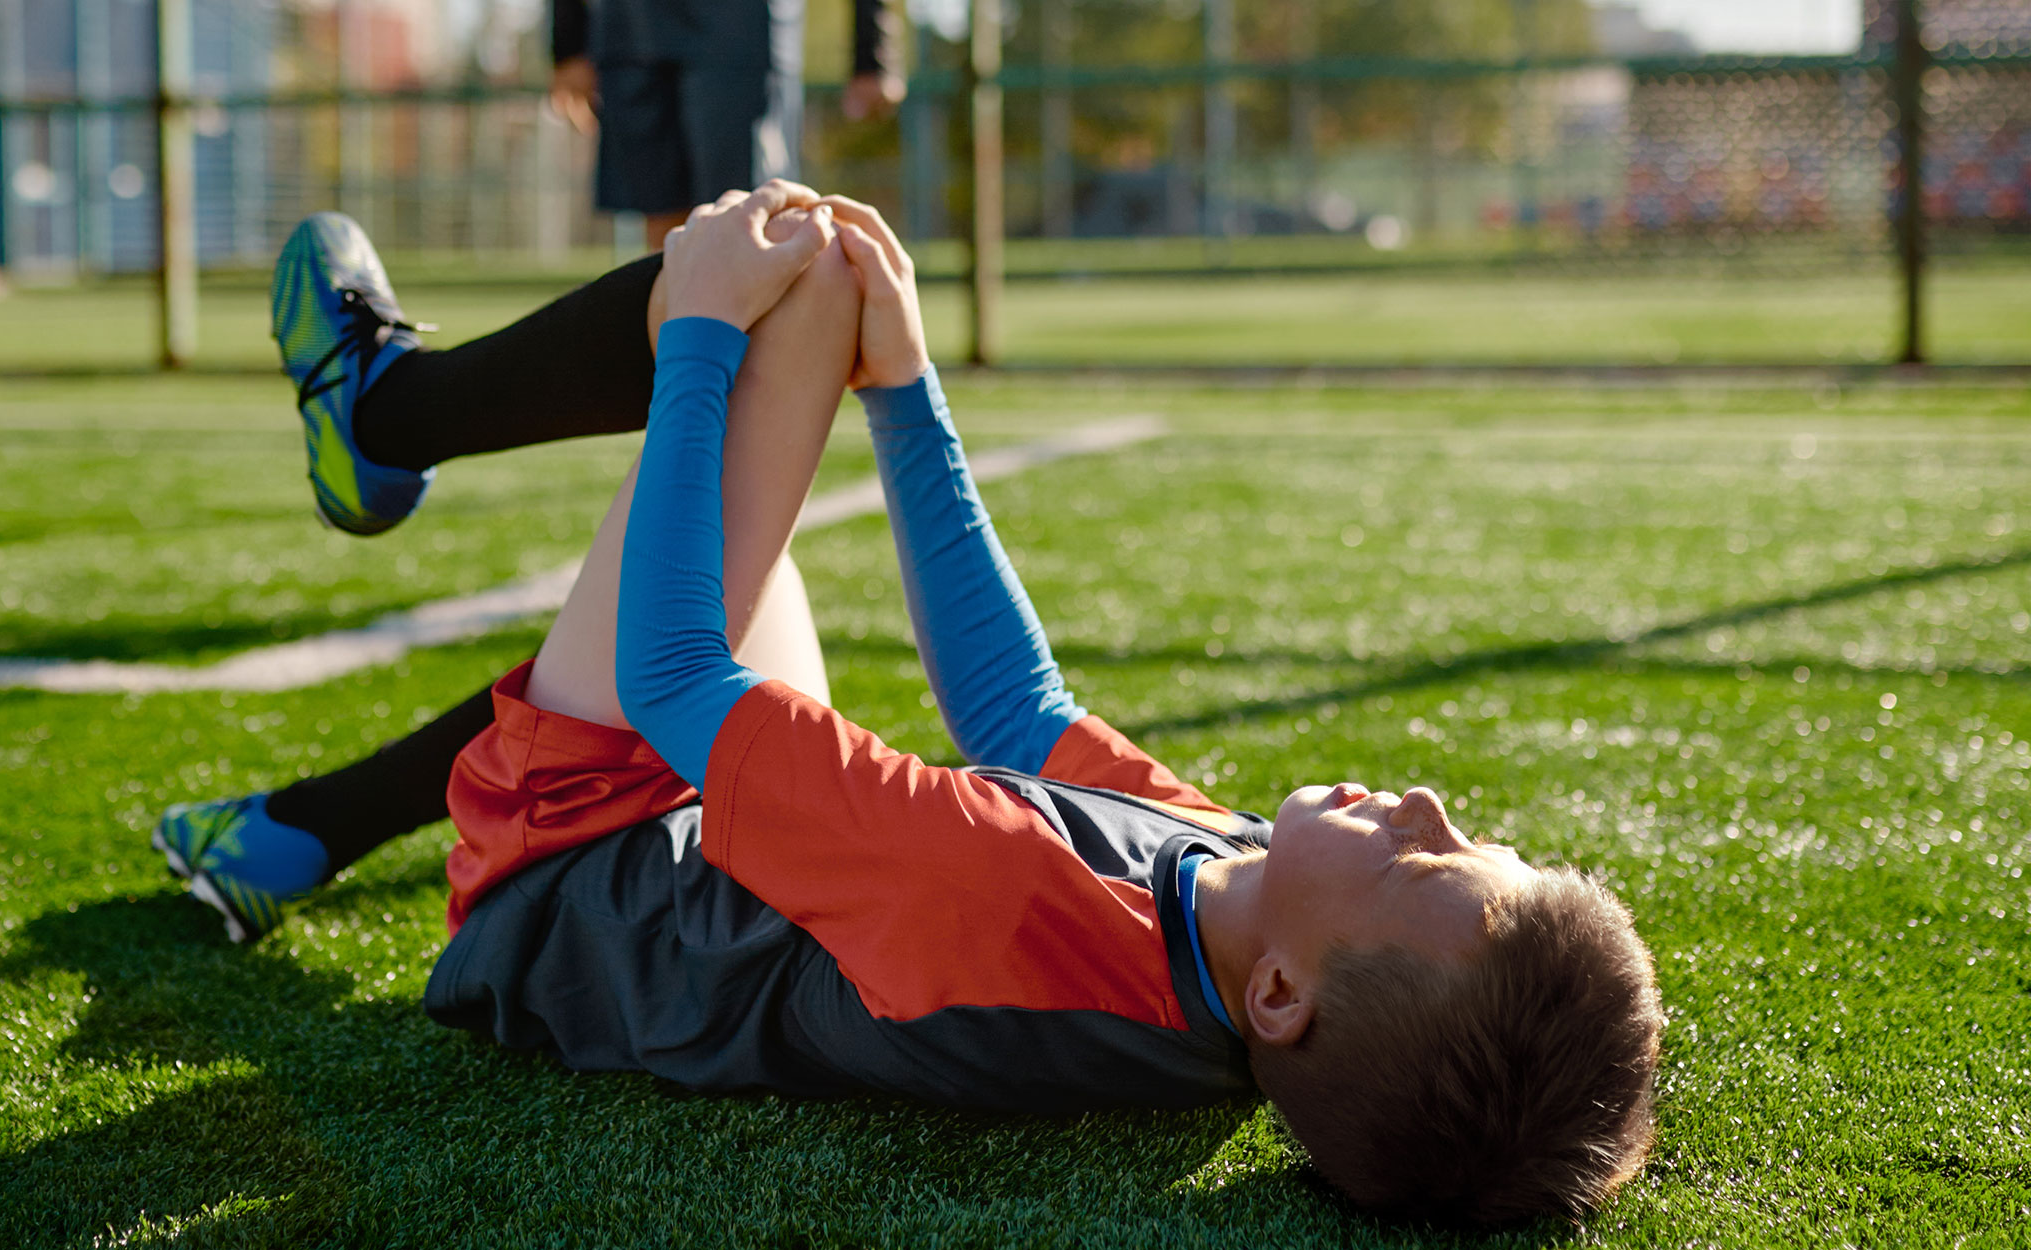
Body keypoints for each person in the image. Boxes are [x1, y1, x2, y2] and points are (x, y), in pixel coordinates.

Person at [158, 188, 1666, 1226]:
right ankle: (300, 827)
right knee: (784, 410)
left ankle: (381, 412)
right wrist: (907, 389)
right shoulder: (1239, 911)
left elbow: (678, 679)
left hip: (564, 881)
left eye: (1424, 861)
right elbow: (1017, 707)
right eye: (1476, 832)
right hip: (699, 853)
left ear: (1285, 1000)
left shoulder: (1003, 898)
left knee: (784, 281)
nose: (1427, 805)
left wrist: (696, 338)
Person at [551, 0, 902, 253]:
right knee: (662, 226)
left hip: (741, 23)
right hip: (632, 25)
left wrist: (873, 49)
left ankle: (750, 336)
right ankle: (679, 334)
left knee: (744, 214)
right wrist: (568, 40)